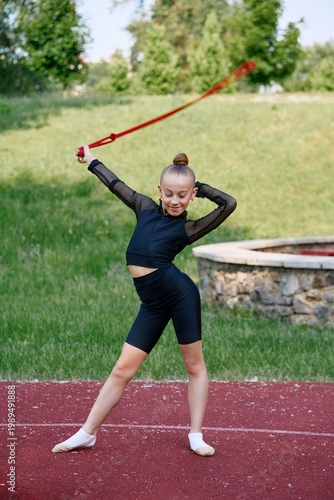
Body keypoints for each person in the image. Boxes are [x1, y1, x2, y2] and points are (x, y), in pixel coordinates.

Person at [52, 145, 237, 457]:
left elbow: (228, 204)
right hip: (152, 303)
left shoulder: (189, 228)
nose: (175, 200)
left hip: (179, 296)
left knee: (193, 365)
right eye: (169, 193)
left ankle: (196, 435)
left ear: (191, 195)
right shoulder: (144, 207)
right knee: (122, 370)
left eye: (183, 195)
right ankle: (87, 433)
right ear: (159, 191)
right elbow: (115, 184)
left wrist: (201, 187)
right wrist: (91, 160)